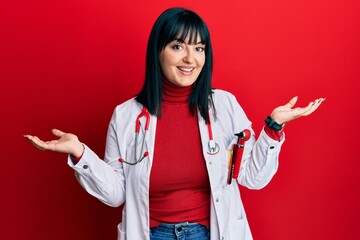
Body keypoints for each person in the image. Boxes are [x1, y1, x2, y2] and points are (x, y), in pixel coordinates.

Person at [24, 7, 324, 240]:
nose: (190, 58)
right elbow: (115, 194)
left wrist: (273, 127)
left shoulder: (224, 105)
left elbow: (252, 178)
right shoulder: (127, 116)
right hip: (151, 233)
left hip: (211, 232)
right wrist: (80, 153)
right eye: (178, 46)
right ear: (158, 50)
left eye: (199, 48)